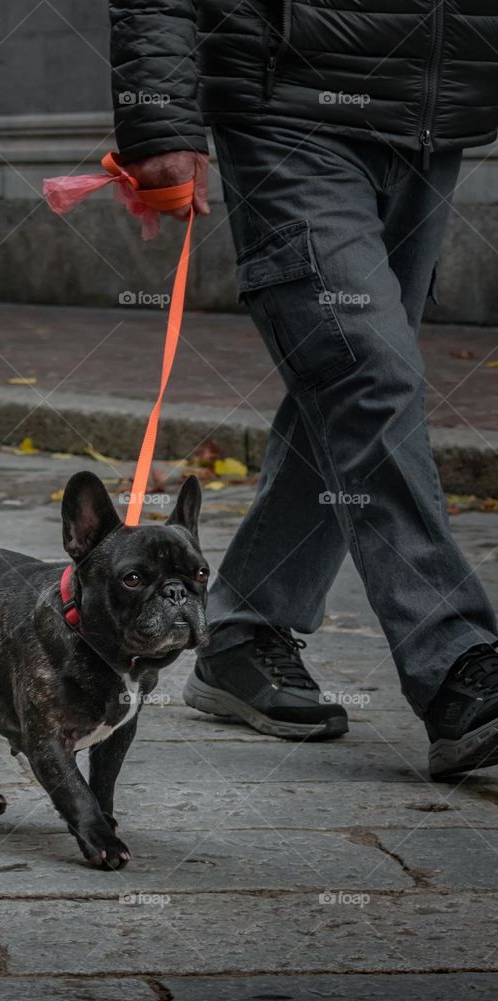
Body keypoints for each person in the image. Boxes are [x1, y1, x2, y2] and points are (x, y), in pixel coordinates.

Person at [108, 0, 498, 777]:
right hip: (285, 105)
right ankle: (455, 660)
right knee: (369, 371)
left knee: (346, 382)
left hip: (438, 114)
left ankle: (245, 632)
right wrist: (158, 118)